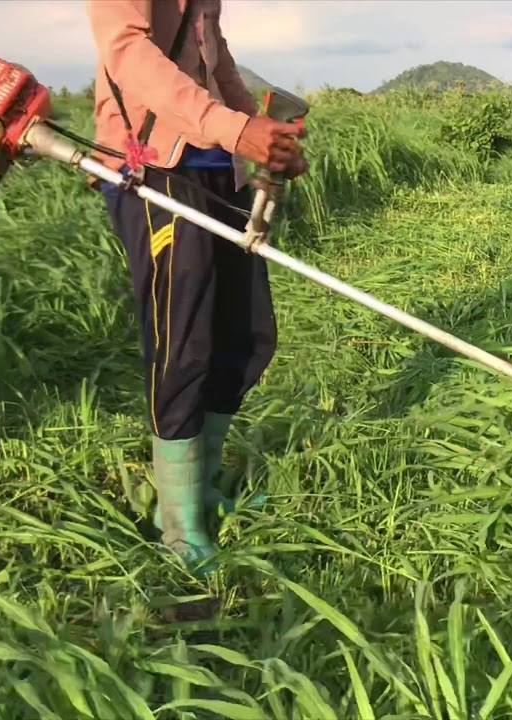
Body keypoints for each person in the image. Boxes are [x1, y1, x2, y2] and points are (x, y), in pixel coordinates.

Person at [85, 0, 308, 573]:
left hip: (216, 164)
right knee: (183, 343)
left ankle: (201, 487)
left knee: (246, 332)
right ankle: (179, 526)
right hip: (155, 163)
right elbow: (128, 51)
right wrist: (235, 127)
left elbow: (215, 53)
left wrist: (262, 136)